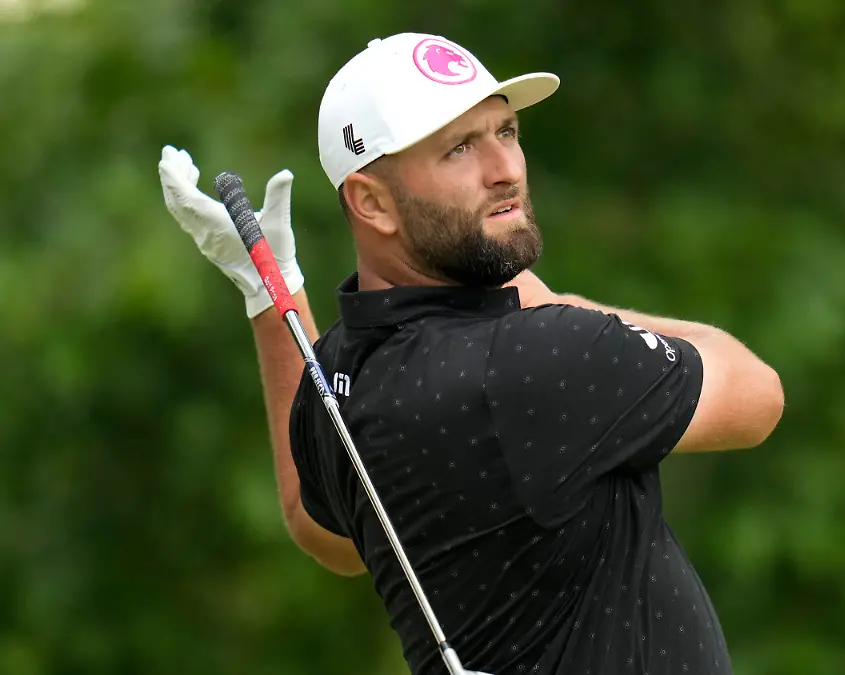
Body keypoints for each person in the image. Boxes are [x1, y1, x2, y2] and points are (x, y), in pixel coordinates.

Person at [159, 32, 784, 675]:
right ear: (371, 201)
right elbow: (757, 393)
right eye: (459, 148)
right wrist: (549, 300)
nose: (505, 168)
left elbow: (325, 532)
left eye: (505, 131)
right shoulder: (536, 357)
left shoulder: (340, 375)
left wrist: (273, 291)